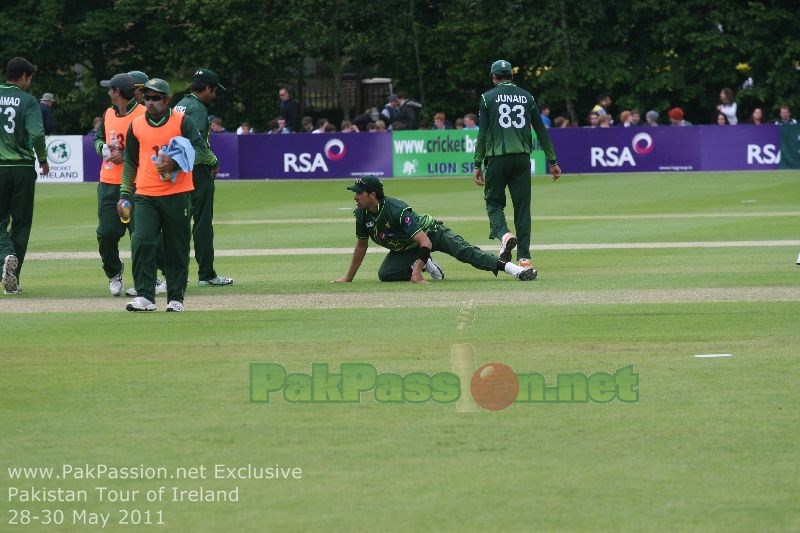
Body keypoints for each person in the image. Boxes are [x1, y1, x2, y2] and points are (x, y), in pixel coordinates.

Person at [117, 78, 214, 312]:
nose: (149, 102)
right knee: (141, 241)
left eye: (155, 98)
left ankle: (176, 297)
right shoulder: (137, 125)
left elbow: (202, 151)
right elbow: (130, 160)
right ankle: (145, 296)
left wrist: (175, 163)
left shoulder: (183, 122)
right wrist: (124, 193)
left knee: (177, 247)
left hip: (177, 194)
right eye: (146, 98)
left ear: (167, 100)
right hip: (145, 194)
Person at [333, 177, 537, 284]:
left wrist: (416, 275)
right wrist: (348, 278)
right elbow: (361, 245)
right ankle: (424, 262)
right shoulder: (361, 214)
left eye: (359, 193)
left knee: (467, 253)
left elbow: (426, 242)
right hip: (408, 247)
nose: (355, 197)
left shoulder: (397, 210)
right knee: (386, 274)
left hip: (431, 234)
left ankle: (517, 271)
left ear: (372, 195)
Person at [473, 59, 562, 270]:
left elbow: (483, 134)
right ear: (512, 76)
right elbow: (541, 131)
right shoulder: (527, 97)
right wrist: (553, 162)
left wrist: (477, 163)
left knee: (493, 203)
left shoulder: (487, 98)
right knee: (522, 209)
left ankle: (504, 235)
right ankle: (525, 258)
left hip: (497, 159)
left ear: (494, 77)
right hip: (522, 159)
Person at [173, 68, 234, 288]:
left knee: (176, 224)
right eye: (214, 90)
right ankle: (206, 274)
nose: (214, 95)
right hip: (197, 171)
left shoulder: (180, 104)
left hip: (176, 170)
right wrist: (213, 161)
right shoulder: (198, 108)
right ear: (207, 88)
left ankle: (173, 274)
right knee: (202, 225)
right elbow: (196, 143)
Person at [93, 73, 145, 297]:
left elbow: (152, 146)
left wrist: (125, 156)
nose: (107, 93)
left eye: (110, 89)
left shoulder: (143, 114)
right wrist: (103, 148)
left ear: (117, 92)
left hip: (136, 184)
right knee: (106, 234)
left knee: (142, 236)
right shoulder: (107, 113)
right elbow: (97, 139)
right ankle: (114, 273)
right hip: (108, 183)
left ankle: (149, 280)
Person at [0, 57, 49, 295]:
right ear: (23, 77)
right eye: (29, 79)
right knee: (21, 224)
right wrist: (43, 159)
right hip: (22, 169)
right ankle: (13, 276)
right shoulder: (28, 100)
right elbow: (38, 135)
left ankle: (4, 256)